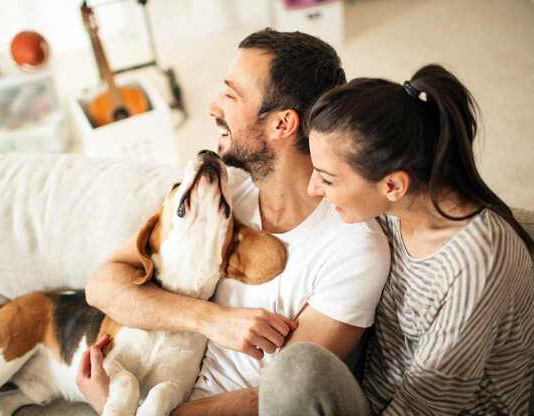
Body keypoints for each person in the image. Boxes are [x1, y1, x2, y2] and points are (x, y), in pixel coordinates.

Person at [78, 28, 390, 415]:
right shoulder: (227, 190)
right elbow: (102, 284)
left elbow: (275, 400)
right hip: (154, 390)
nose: (212, 106)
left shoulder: (354, 248)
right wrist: (211, 319)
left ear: (282, 124)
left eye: (231, 94)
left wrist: (118, 408)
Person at [265, 63, 533, 415]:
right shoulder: (393, 208)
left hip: (426, 409)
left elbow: (427, 407)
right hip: (375, 384)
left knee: (296, 373)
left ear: (393, 185)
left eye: (327, 179)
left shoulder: (477, 261)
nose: (314, 188)